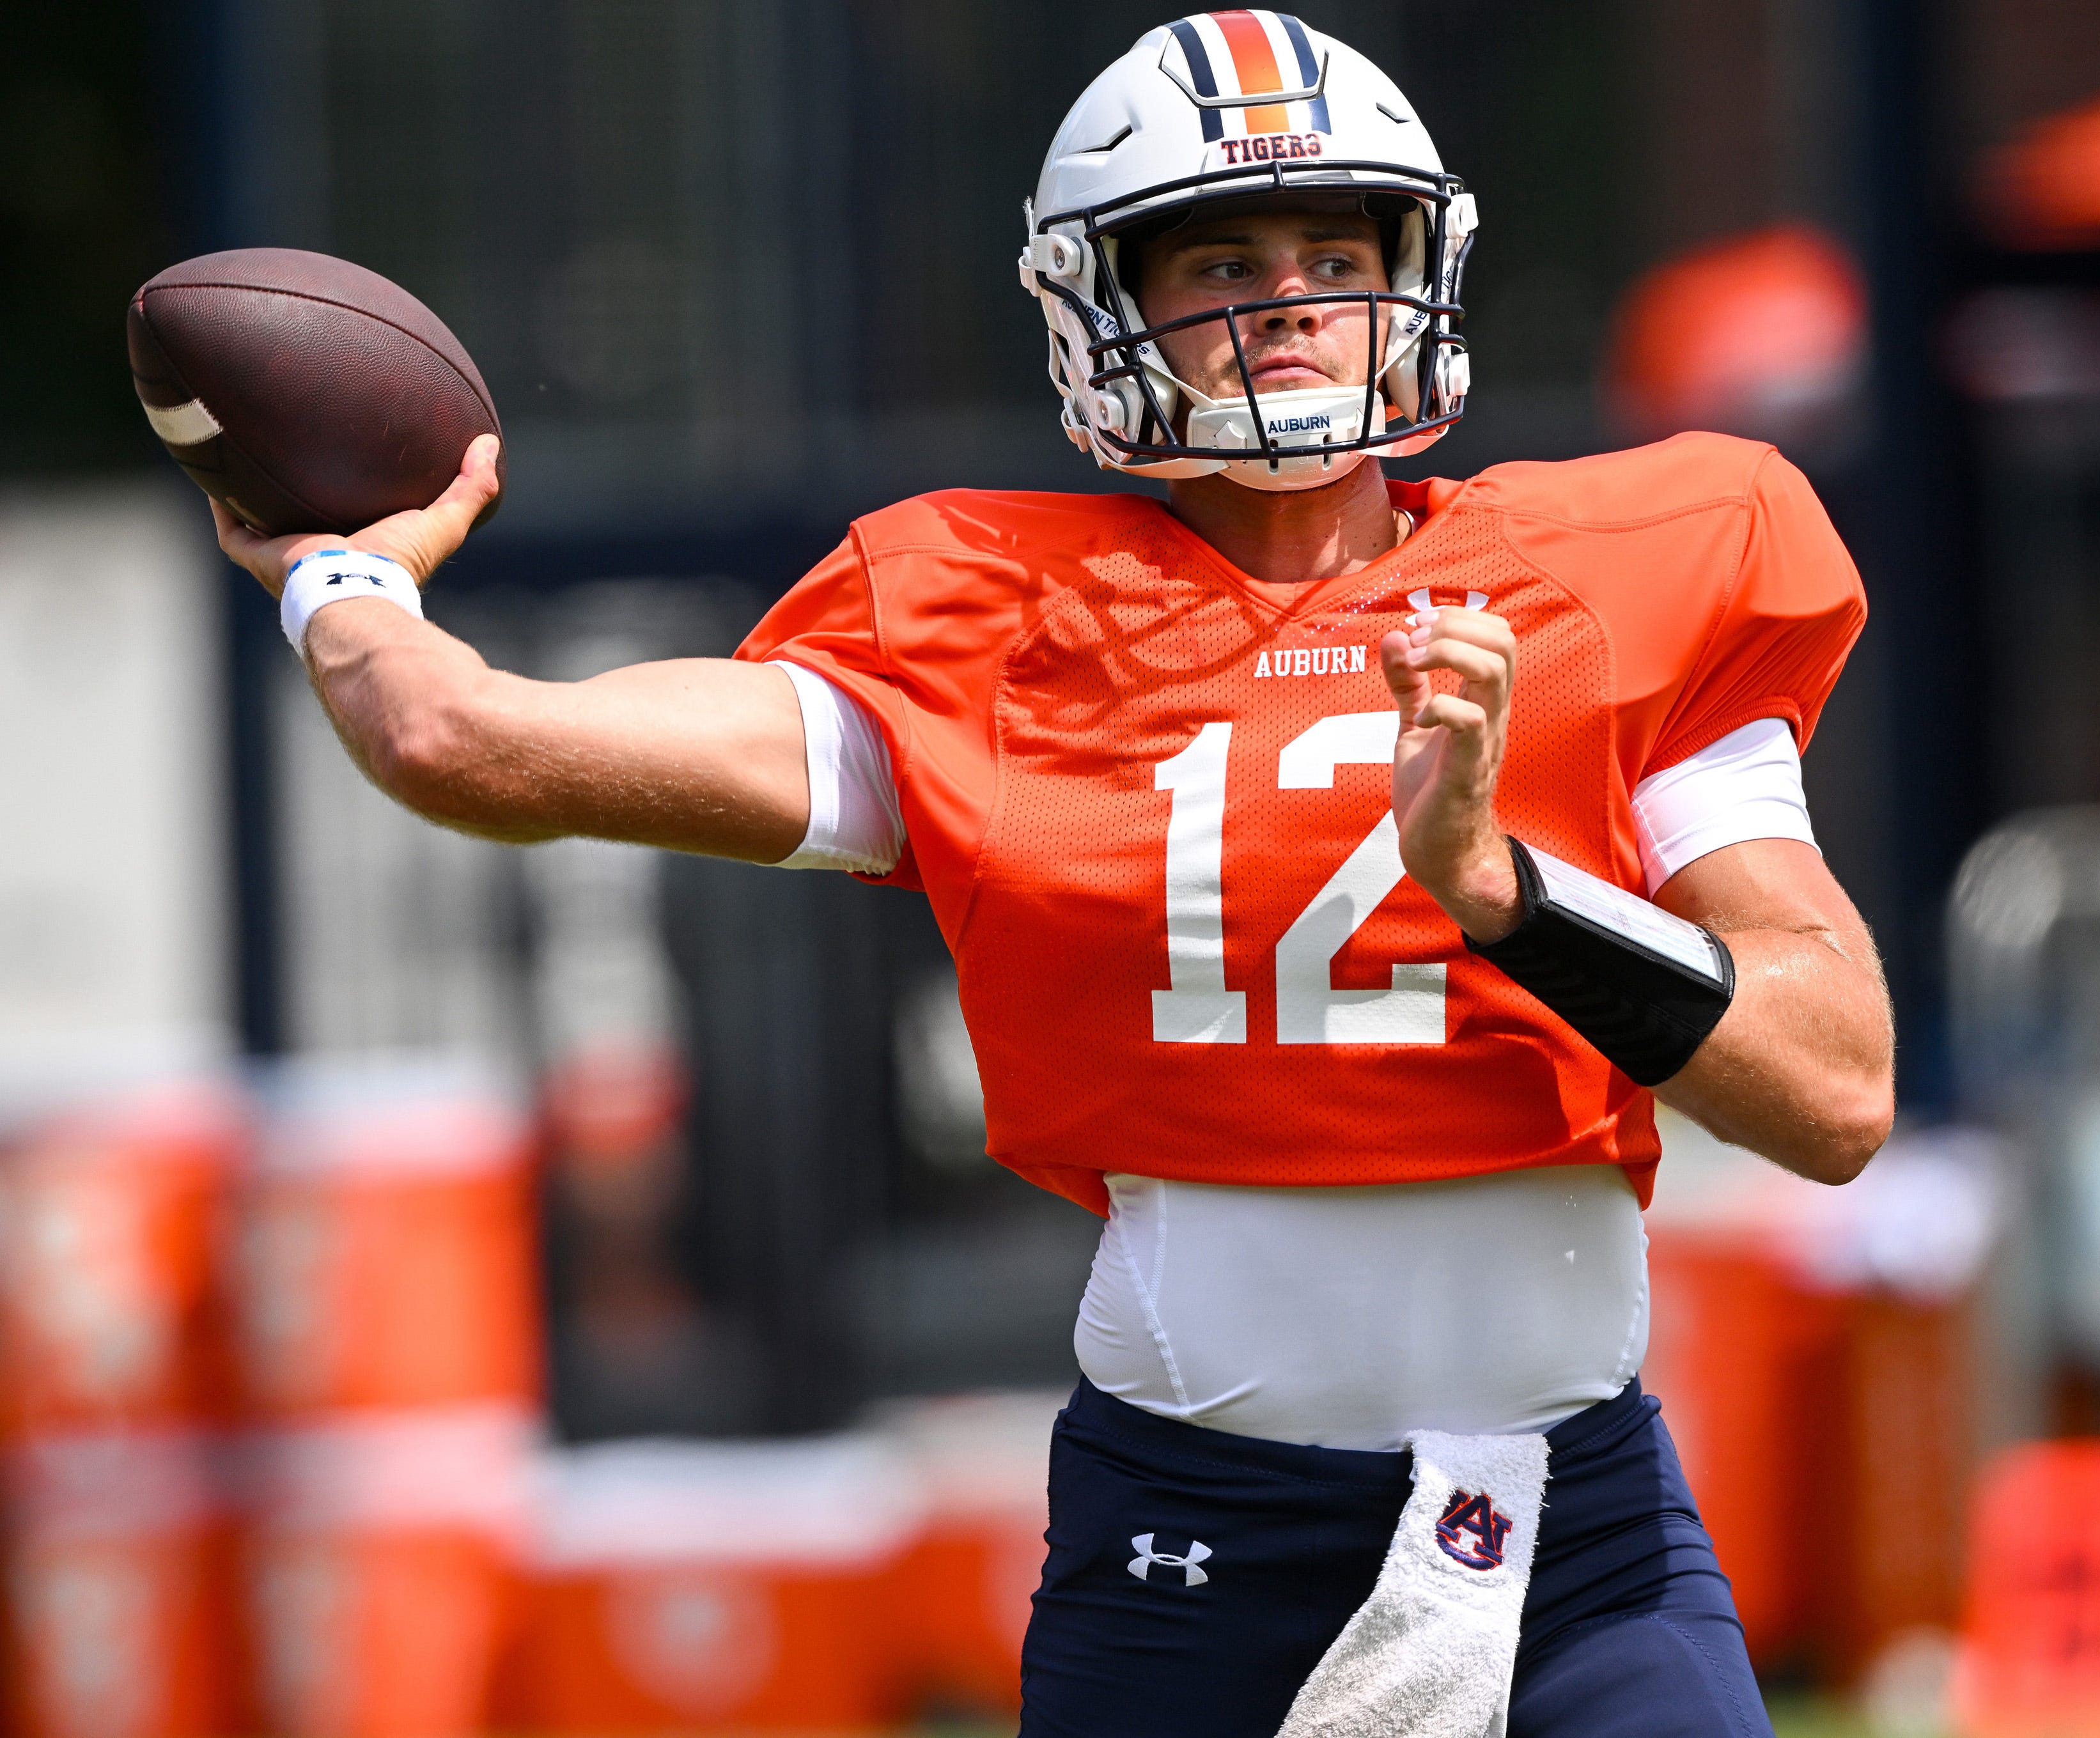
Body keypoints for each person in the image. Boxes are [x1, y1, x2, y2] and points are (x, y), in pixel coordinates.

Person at [217, 15, 1892, 1735]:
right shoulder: (981, 626)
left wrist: (1506, 894)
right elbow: (465, 747)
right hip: (1197, 1547)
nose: (1293, 298)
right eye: (1223, 258)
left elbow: (1832, 1088)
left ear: (1420, 267)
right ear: (1102, 302)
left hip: (1575, 1540)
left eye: (1334, 250)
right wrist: (337, 576)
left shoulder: (1629, 575)